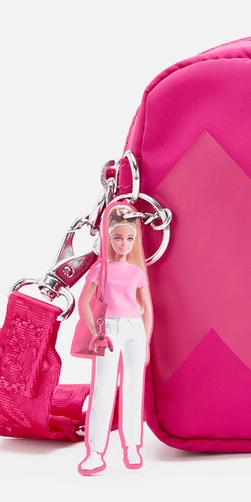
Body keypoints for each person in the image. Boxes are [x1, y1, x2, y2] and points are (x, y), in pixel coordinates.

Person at [78, 202, 153, 475]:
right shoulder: (101, 269)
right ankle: (95, 452)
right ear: (109, 238)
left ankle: (132, 445)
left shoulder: (137, 272)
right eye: (119, 238)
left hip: (134, 328)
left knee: (134, 386)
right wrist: (96, 331)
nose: (124, 244)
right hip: (108, 328)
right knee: (104, 387)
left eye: (130, 239)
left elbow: (147, 308)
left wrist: (146, 341)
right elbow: (85, 303)